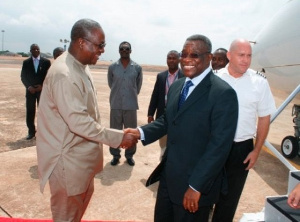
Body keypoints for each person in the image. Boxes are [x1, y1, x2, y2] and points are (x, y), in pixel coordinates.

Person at [126, 34, 239, 221]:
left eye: (194, 55)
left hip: (194, 188)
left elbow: (219, 148)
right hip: (169, 181)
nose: (186, 59)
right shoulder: (177, 86)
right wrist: (141, 132)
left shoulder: (223, 94)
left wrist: (196, 186)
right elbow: (167, 121)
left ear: (209, 58)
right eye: (183, 54)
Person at [36, 19, 137, 222]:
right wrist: (119, 138)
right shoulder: (64, 74)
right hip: (67, 163)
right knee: (67, 216)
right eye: (99, 45)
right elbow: (79, 122)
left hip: (80, 160)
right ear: (82, 42)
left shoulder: (80, 66)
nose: (102, 50)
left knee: (76, 214)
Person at [212, 39, 277, 222]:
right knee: (204, 194)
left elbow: (264, 117)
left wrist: (256, 150)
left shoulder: (259, 82)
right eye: (241, 55)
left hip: (241, 148)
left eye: (249, 56)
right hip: (213, 146)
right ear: (229, 56)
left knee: (229, 200)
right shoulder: (214, 78)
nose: (246, 60)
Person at [107, 41, 143, 166]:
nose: (124, 51)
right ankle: (115, 155)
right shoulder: (112, 67)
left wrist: (130, 95)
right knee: (115, 132)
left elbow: (137, 86)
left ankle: (129, 156)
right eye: (122, 49)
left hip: (131, 105)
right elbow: (111, 84)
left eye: (127, 49)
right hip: (116, 104)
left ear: (130, 51)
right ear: (119, 51)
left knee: (131, 132)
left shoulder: (137, 68)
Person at [147, 50, 184, 159]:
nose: (171, 60)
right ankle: (162, 169)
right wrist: (150, 114)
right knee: (163, 146)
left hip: (179, 117)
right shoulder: (161, 76)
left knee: (177, 146)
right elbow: (155, 96)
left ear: (179, 60)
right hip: (163, 117)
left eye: (174, 58)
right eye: (169, 58)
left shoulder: (185, 76)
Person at [21, 44, 51, 140]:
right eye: (34, 49)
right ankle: (31, 132)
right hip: (30, 91)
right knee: (30, 111)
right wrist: (29, 87)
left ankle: (43, 133)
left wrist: (42, 86)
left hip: (41, 91)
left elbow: (48, 76)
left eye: (38, 49)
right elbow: (23, 76)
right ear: (30, 51)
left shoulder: (46, 62)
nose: (36, 50)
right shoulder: (26, 62)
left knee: (43, 112)